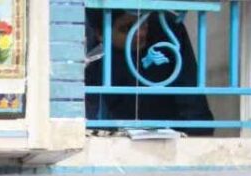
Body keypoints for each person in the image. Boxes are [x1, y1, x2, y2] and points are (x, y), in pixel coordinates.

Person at [85, 9, 214, 136]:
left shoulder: (166, 27)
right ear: (100, 34)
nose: (139, 33)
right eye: (127, 28)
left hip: (173, 130)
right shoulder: (93, 53)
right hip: (125, 132)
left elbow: (189, 87)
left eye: (143, 23)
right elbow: (88, 102)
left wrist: (199, 134)